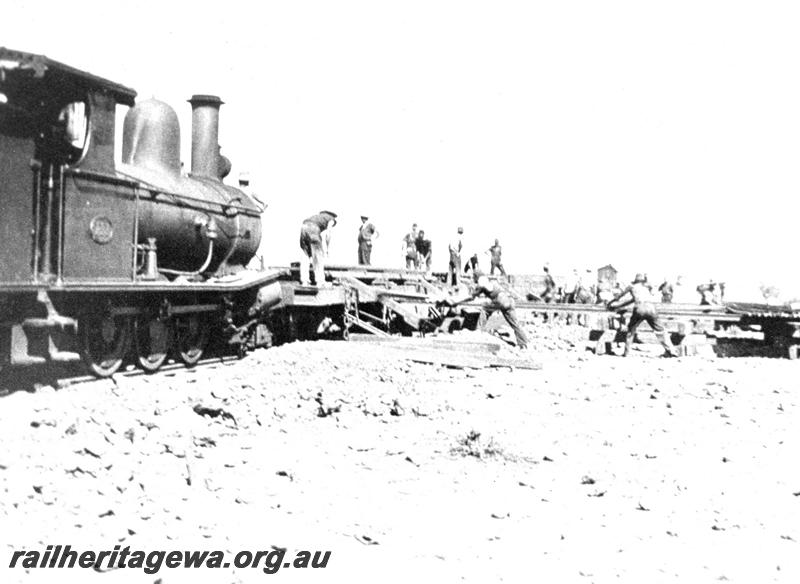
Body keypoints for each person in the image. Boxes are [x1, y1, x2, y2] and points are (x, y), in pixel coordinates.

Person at [444, 269, 528, 349]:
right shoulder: (490, 281)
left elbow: (471, 297)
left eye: (474, 277)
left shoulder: (481, 282)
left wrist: (454, 301)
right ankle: (523, 344)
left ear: (476, 276)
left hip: (500, 301)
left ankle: (479, 330)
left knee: (485, 309)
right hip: (509, 300)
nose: (473, 279)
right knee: (514, 323)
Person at [607, 273, 676, 357]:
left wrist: (611, 303)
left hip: (640, 308)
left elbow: (619, 297)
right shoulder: (645, 288)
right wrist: (618, 306)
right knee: (660, 330)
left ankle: (626, 353)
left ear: (635, 280)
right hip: (651, 308)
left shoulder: (631, 287)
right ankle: (671, 351)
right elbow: (631, 301)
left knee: (631, 330)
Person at [299, 210, 337, 287]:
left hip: (303, 228)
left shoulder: (317, 217)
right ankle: (320, 281)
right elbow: (328, 233)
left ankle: (305, 281)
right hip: (313, 229)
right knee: (318, 257)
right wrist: (327, 248)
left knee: (305, 256)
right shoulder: (331, 219)